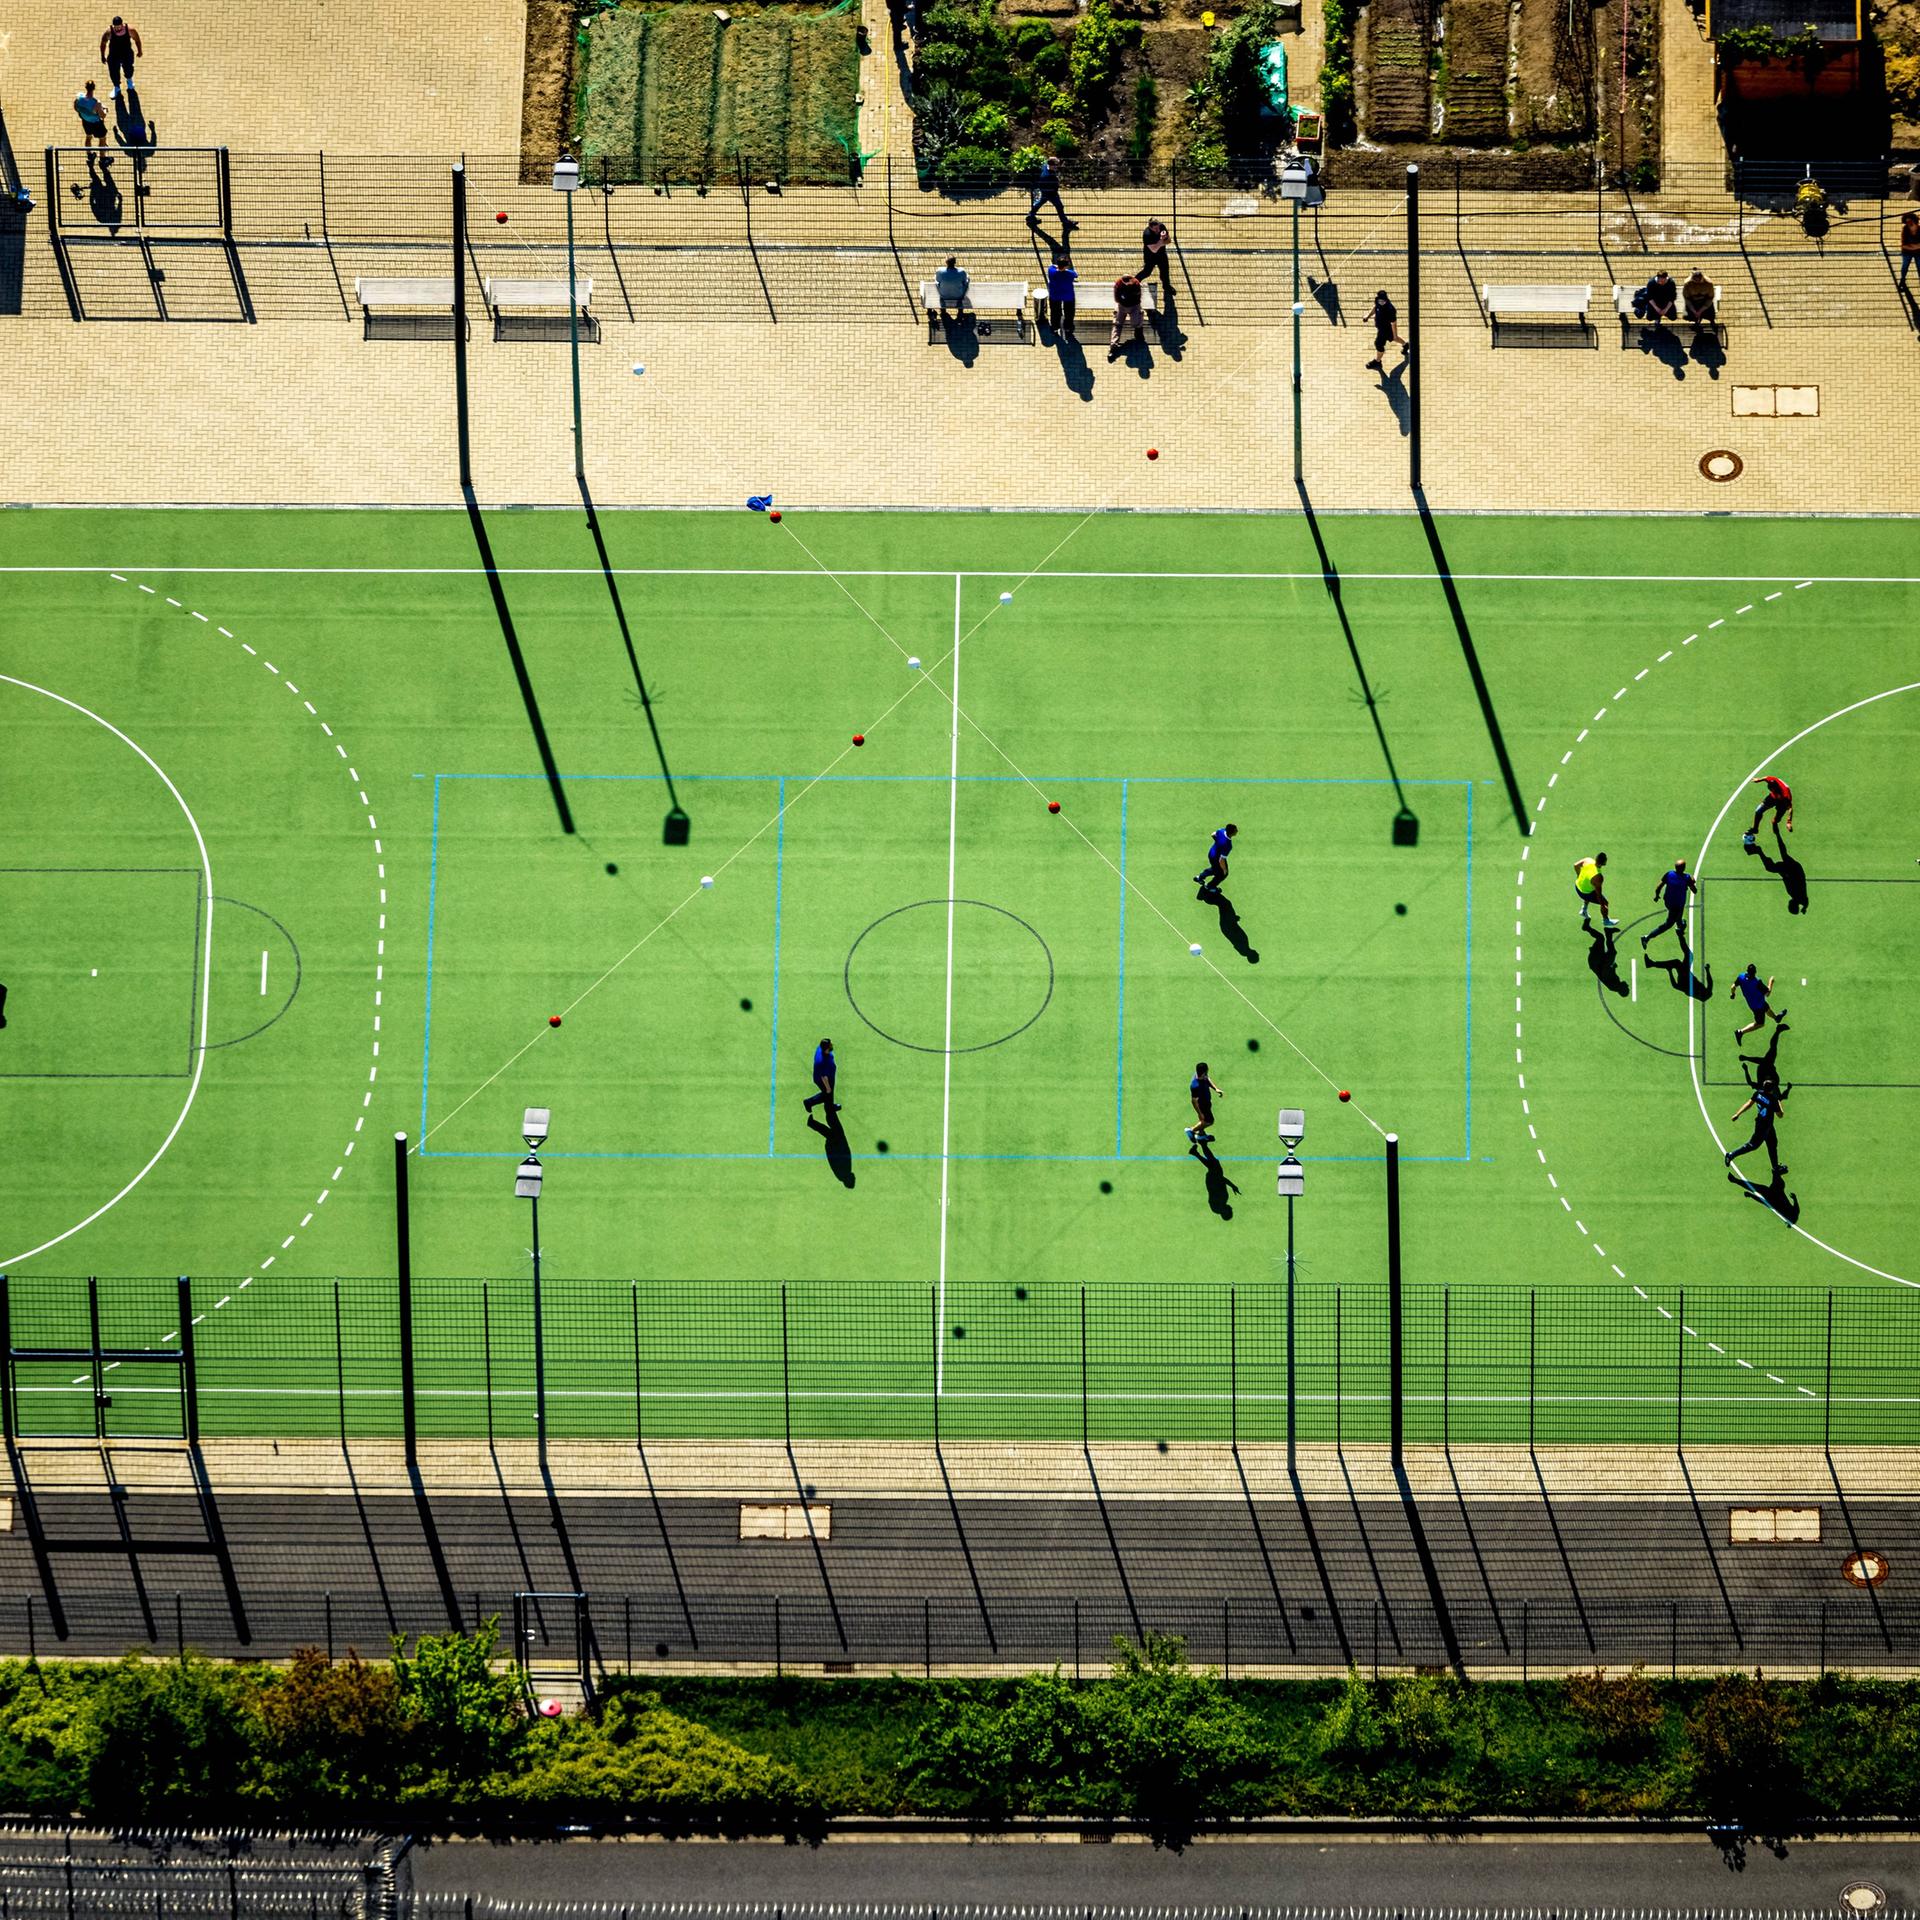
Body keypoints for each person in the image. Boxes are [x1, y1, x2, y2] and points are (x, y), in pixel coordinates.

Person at [1725, 1076, 1788, 1182]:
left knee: (1772, 1144)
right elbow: (1780, 1115)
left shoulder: (1758, 1094)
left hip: (1765, 1124)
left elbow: (1749, 1104)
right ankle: (1731, 1155)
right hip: (1763, 1127)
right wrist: (1778, 1101)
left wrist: (1737, 1114)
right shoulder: (1773, 1100)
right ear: (1772, 1089)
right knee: (1752, 1145)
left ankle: (1775, 1167)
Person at [1643, 858, 1695, 953]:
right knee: (1668, 925)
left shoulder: (1669, 874)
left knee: (1678, 917)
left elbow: (1659, 887)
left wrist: (1657, 896)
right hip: (1678, 905)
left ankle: (1680, 926)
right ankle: (1647, 938)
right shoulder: (1687, 878)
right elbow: (1694, 891)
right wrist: (1693, 881)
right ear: (1684, 868)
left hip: (1668, 902)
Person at [1731, 962, 1786, 1043]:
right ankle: (1740, 1032)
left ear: (1747, 971)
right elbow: (1767, 994)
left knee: (1766, 1008)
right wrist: (1771, 982)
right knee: (1760, 1024)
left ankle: (1776, 1018)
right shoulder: (1757, 982)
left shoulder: (1741, 977)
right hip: (1757, 1007)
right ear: (1755, 972)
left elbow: (1733, 987)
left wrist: (1733, 994)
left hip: (1753, 1003)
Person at [1028, 157, 1075, 233]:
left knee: (1039, 203)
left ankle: (1030, 216)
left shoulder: (1045, 167)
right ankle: (1065, 222)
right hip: (1050, 193)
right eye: (1055, 165)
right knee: (1059, 206)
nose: (1057, 166)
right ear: (1051, 165)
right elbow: (1051, 185)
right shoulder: (1048, 176)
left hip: (1045, 191)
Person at [1573, 850, 1616, 931]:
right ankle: (1606, 920)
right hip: (1585, 893)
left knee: (1590, 888)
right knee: (1605, 903)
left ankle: (1584, 910)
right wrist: (1603, 905)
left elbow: (1575, 865)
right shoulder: (1598, 877)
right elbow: (1598, 894)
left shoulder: (1588, 860)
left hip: (1577, 886)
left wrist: (1579, 875)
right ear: (1604, 863)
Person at [1746, 772, 1793, 845]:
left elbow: (1790, 808)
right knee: (1758, 811)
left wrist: (1789, 822)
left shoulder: (1785, 794)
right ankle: (1755, 829)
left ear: (1776, 788)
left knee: (1775, 821)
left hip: (1782, 803)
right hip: (1772, 798)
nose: (1771, 790)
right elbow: (1766, 778)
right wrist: (1759, 780)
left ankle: (1775, 822)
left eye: (1772, 790)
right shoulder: (1772, 780)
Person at [100, 16, 142, 95]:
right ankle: (116, 87)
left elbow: (137, 40)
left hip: (127, 53)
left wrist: (140, 51)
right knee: (113, 71)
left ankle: (129, 81)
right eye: (115, 27)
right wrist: (102, 55)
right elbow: (103, 43)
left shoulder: (130, 30)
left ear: (122, 24)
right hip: (114, 55)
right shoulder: (109, 32)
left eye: (119, 26)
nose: (117, 28)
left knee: (129, 68)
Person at [1108, 273, 1146, 360]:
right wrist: (1125, 300)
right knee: (1117, 324)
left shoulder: (1136, 284)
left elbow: (1138, 298)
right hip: (1121, 306)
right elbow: (1116, 299)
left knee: (1136, 321)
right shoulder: (1118, 284)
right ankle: (1113, 347)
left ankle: (1138, 331)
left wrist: (1126, 298)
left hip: (1134, 306)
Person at [1193, 821, 1237, 897]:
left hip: (1211, 853)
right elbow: (1221, 860)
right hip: (1216, 858)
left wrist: (1218, 843)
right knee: (1222, 874)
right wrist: (1224, 870)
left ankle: (1200, 877)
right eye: (1235, 830)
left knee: (1214, 869)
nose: (1237, 831)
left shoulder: (1221, 831)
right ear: (1231, 833)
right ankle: (1210, 886)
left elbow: (1213, 834)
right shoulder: (1228, 845)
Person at [1365, 289, 1402, 372]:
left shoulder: (1390, 309)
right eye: (1380, 300)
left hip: (1385, 330)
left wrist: (1395, 334)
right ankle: (1406, 345)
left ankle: (1377, 361)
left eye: (1383, 301)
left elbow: (1394, 323)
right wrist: (1368, 316)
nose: (1381, 302)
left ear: (1386, 299)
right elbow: (1375, 308)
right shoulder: (1377, 301)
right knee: (1394, 338)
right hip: (1381, 328)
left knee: (1378, 344)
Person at [1043, 252, 1077, 339]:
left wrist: (1057, 266)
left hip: (1055, 295)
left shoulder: (1051, 271)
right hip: (1068, 296)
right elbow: (1075, 275)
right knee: (1069, 312)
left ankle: (1055, 327)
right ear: (1066, 266)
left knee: (1055, 311)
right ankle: (1068, 327)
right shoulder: (1070, 274)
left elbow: (1052, 266)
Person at [1186, 1062, 1221, 1146]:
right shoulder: (1195, 1085)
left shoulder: (1202, 1076)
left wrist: (1216, 1089)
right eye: (1206, 1071)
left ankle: (1201, 1135)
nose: (1207, 1073)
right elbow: (1194, 1101)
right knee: (1209, 1121)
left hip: (1207, 1102)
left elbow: (1208, 1079)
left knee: (1203, 1121)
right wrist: (1200, 1113)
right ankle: (1191, 1130)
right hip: (1202, 1106)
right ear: (1203, 1073)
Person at [803, 1037, 839, 1114]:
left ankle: (829, 1107)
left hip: (828, 1076)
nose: (831, 1045)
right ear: (826, 1049)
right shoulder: (822, 1061)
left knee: (828, 1094)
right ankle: (809, 1102)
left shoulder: (820, 1048)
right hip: (824, 1080)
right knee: (827, 1094)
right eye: (830, 1045)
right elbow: (824, 1077)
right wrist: (828, 1087)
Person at [1140, 217, 1173, 297]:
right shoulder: (1147, 234)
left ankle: (1166, 286)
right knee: (1146, 272)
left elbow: (1169, 240)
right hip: (1150, 256)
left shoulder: (1162, 227)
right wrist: (1162, 240)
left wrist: (1164, 239)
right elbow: (1154, 250)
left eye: (1158, 227)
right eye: (1155, 229)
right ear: (1150, 227)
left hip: (1162, 254)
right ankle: (1135, 282)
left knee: (1165, 272)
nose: (1158, 230)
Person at [74, 80, 109, 149]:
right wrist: (105, 109)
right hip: (97, 124)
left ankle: (89, 153)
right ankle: (102, 155)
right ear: (94, 88)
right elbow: (103, 116)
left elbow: (76, 108)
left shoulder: (79, 98)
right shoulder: (96, 103)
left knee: (88, 137)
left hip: (86, 122)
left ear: (86, 87)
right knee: (102, 139)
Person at [933, 256, 969, 323]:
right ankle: (960, 311)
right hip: (958, 295)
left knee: (937, 282)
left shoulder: (940, 271)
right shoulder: (962, 272)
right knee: (967, 280)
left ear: (946, 262)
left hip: (944, 295)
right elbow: (965, 282)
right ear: (955, 262)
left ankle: (943, 311)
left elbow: (938, 281)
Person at [1900, 211, 1920, 292]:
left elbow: (1906, 245)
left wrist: (1911, 246)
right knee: (1905, 266)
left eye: (1910, 221)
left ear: (1915, 221)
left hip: (1918, 252)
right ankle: (1902, 280)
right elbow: (1903, 245)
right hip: (1907, 252)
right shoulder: (1905, 230)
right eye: (1907, 222)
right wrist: (1916, 246)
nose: (1908, 223)